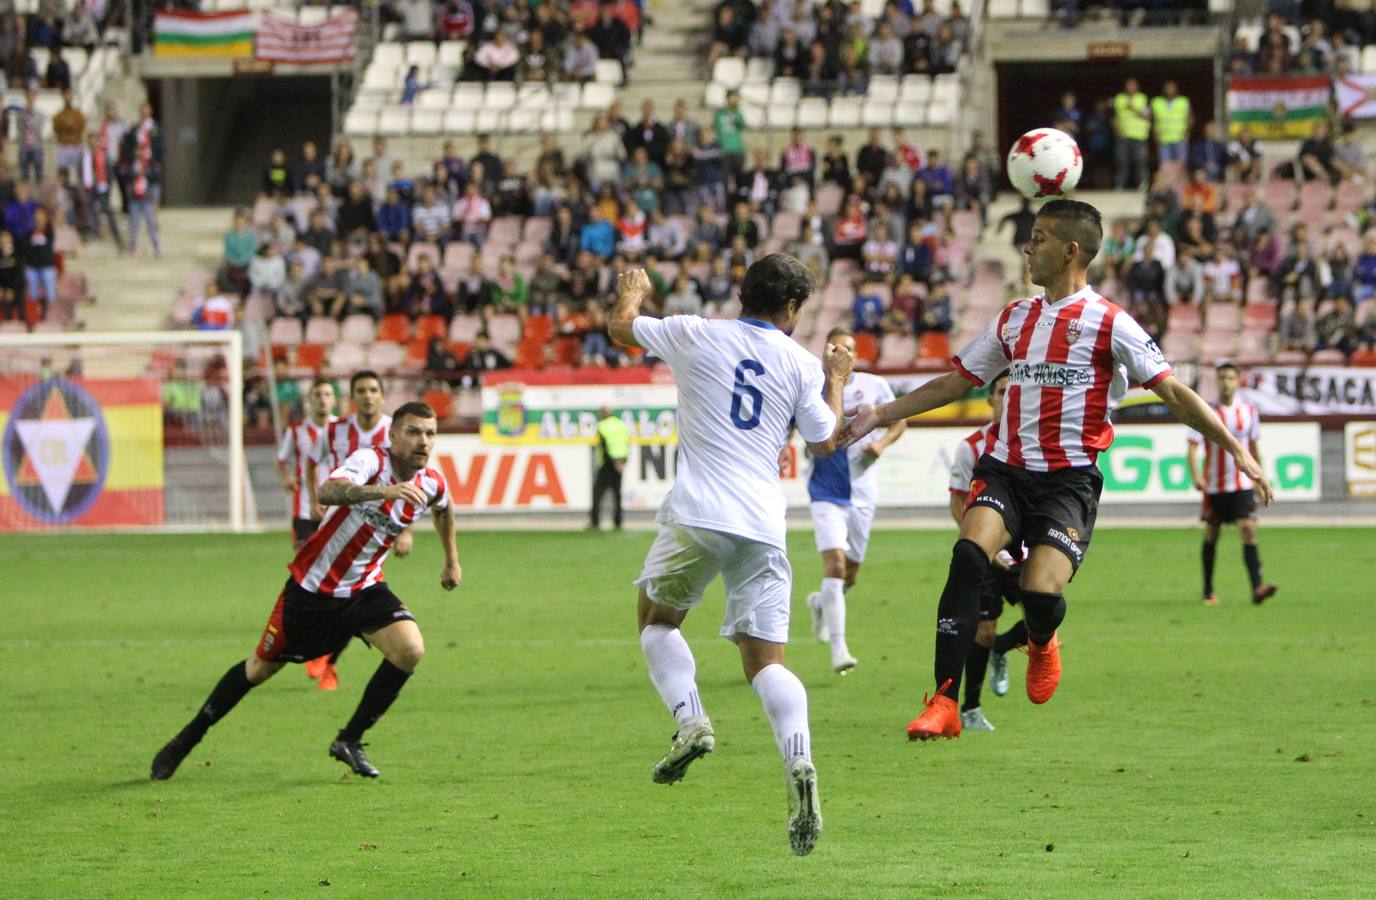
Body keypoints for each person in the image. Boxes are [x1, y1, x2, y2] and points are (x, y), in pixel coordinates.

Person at [839, 199, 1273, 741]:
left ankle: (1042, 638)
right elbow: (955, 383)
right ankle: (945, 702)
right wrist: (879, 414)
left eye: (1039, 238)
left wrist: (1237, 448)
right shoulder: (1014, 317)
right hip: (1006, 469)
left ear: (1071, 250)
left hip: (1069, 481)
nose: (1028, 246)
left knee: (1041, 594)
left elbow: (1177, 396)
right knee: (968, 554)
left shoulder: (1111, 323)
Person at [607, 254, 854, 856]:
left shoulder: (695, 331)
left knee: (657, 622)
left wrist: (633, 292)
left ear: (743, 293)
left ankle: (691, 719)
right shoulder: (800, 363)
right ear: (792, 308)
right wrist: (837, 379)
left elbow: (621, 328)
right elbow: (826, 443)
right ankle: (799, 759)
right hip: (763, 524)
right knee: (767, 663)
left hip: (697, 513)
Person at [150, 402, 462, 781]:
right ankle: (188, 737)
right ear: (392, 435)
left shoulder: (431, 482)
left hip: (365, 588)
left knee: (409, 650)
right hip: (312, 591)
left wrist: (451, 560)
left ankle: (349, 739)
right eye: (413, 432)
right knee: (259, 669)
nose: (423, 441)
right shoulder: (369, 461)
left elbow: (444, 509)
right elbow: (329, 491)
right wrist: (384, 492)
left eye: (430, 434)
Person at [802, 328, 906, 675]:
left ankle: (820, 604)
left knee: (851, 575)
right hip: (825, 490)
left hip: (862, 492)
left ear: (856, 355)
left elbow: (899, 422)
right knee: (834, 564)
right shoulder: (811, 386)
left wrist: (882, 444)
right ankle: (839, 648)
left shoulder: (874, 385)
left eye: (847, 349)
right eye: (834, 349)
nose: (840, 355)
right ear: (825, 352)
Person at [303, 371, 414, 691]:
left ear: (382, 395)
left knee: (355, 597)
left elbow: (414, 484)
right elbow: (312, 461)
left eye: (373, 390)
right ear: (352, 397)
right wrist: (313, 500)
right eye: (361, 390)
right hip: (332, 528)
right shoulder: (335, 431)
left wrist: (406, 532)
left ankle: (329, 661)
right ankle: (315, 646)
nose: (368, 396)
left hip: (373, 534)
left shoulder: (397, 432)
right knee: (317, 592)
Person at [946, 373, 1024, 732]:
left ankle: (1001, 650)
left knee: (1046, 616)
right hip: (988, 553)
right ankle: (971, 709)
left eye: (1014, 392)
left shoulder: (1032, 445)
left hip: (1023, 549)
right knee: (984, 630)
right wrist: (982, 546)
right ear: (990, 399)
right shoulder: (971, 448)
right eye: (1002, 392)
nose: (1008, 398)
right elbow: (958, 502)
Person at [1187, 362, 1279, 606]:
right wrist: (1197, 475)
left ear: (1238, 381)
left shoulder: (1249, 411)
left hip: (1242, 483)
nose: (1226, 382)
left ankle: (1257, 587)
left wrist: (1259, 478)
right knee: (1212, 533)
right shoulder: (1207, 411)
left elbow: (1253, 447)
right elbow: (1193, 446)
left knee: (1248, 529)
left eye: (1230, 378)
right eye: (1222, 378)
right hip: (1215, 485)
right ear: (1217, 382)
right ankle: (1208, 590)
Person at [275, 377, 338, 550]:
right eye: (317, 395)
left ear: (334, 400)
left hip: (337, 506)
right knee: (304, 563)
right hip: (304, 507)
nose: (322, 399)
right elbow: (281, 460)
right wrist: (287, 478)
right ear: (309, 400)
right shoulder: (297, 429)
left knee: (336, 564)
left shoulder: (342, 429)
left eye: (327, 394)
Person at [590, 405, 630, 530]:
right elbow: (626, 443)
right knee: (617, 493)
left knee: (598, 493)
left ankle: (595, 521)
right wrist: (622, 462)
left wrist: (612, 461)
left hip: (607, 463)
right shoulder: (621, 425)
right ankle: (618, 521)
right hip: (620, 462)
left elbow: (605, 446)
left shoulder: (602, 426)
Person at [1113, 78, 1151, 190]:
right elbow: (1115, 116)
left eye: (1132, 85)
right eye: (1128, 85)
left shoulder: (1142, 98)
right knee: (1122, 162)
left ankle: (1143, 185)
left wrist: (1133, 107)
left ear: (1137, 87)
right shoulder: (1119, 99)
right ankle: (1120, 185)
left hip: (1139, 136)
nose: (1130, 87)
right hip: (1123, 135)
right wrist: (1116, 129)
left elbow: (1147, 116)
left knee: (1140, 162)